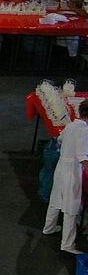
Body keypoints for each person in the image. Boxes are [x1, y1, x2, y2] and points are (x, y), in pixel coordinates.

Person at [44, 100, 88, 254]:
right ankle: (67, 244)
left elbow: (60, 139)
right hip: (72, 171)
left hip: (61, 167)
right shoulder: (84, 130)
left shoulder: (70, 125)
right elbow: (82, 157)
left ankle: (49, 227)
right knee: (71, 207)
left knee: (55, 199)